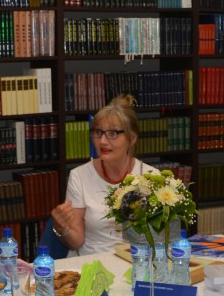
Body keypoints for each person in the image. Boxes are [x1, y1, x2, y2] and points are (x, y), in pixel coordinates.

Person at [50, 94, 160, 256]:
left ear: (132, 138)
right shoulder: (79, 176)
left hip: (136, 260)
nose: (102, 141)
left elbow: (158, 238)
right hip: (91, 261)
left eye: (113, 133)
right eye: (98, 132)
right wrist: (61, 227)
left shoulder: (152, 176)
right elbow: (76, 242)